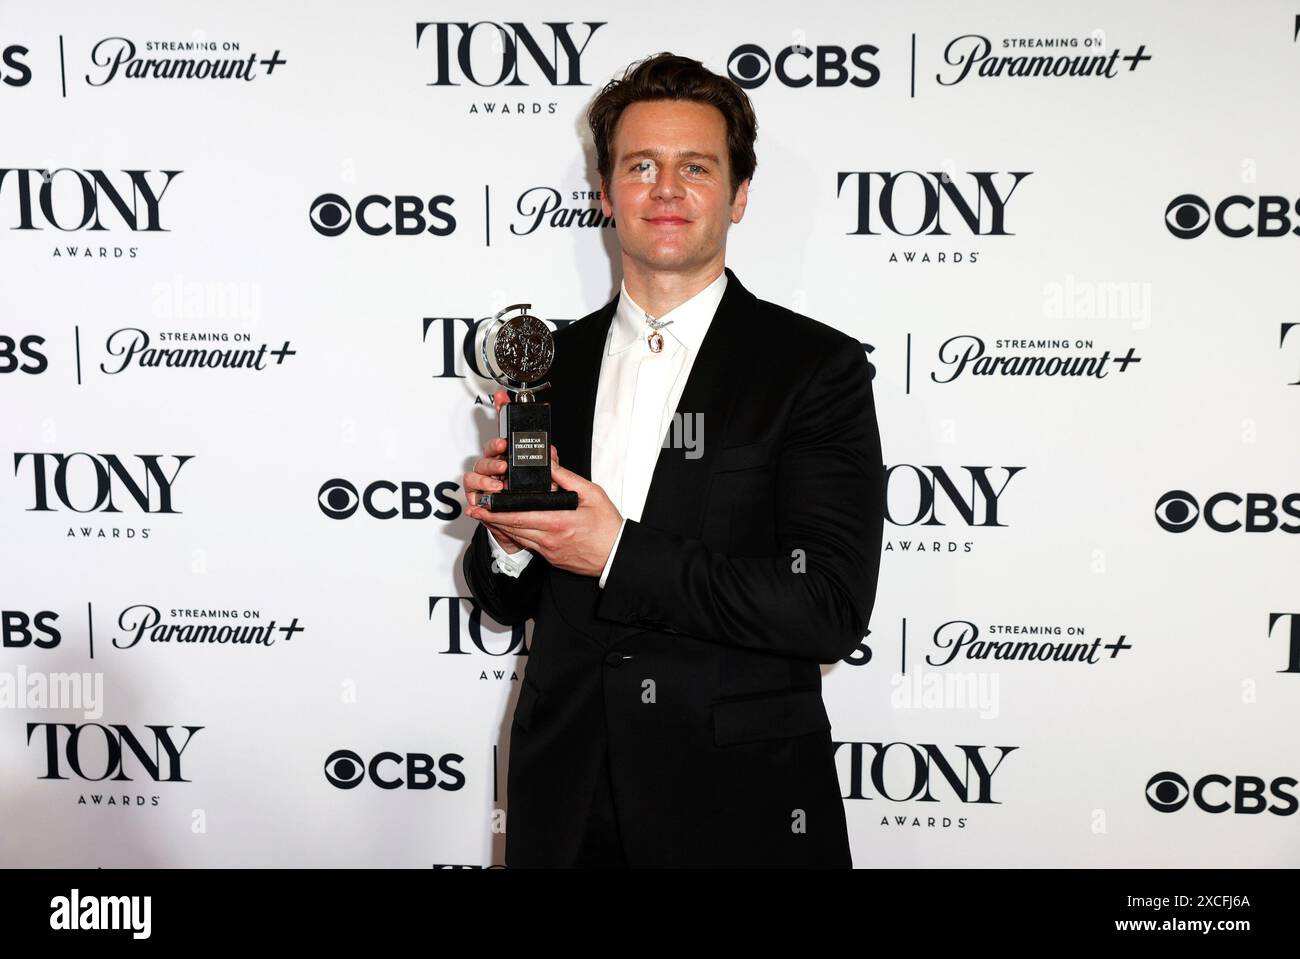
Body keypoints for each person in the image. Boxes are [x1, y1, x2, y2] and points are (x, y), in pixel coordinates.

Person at [461, 52, 884, 868]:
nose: (665, 188)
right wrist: (508, 539)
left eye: (696, 166)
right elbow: (506, 603)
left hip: (740, 805)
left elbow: (827, 606)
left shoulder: (813, 370)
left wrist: (616, 551)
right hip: (564, 798)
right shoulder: (553, 360)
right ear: (605, 190)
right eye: (640, 165)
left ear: (739, 193)